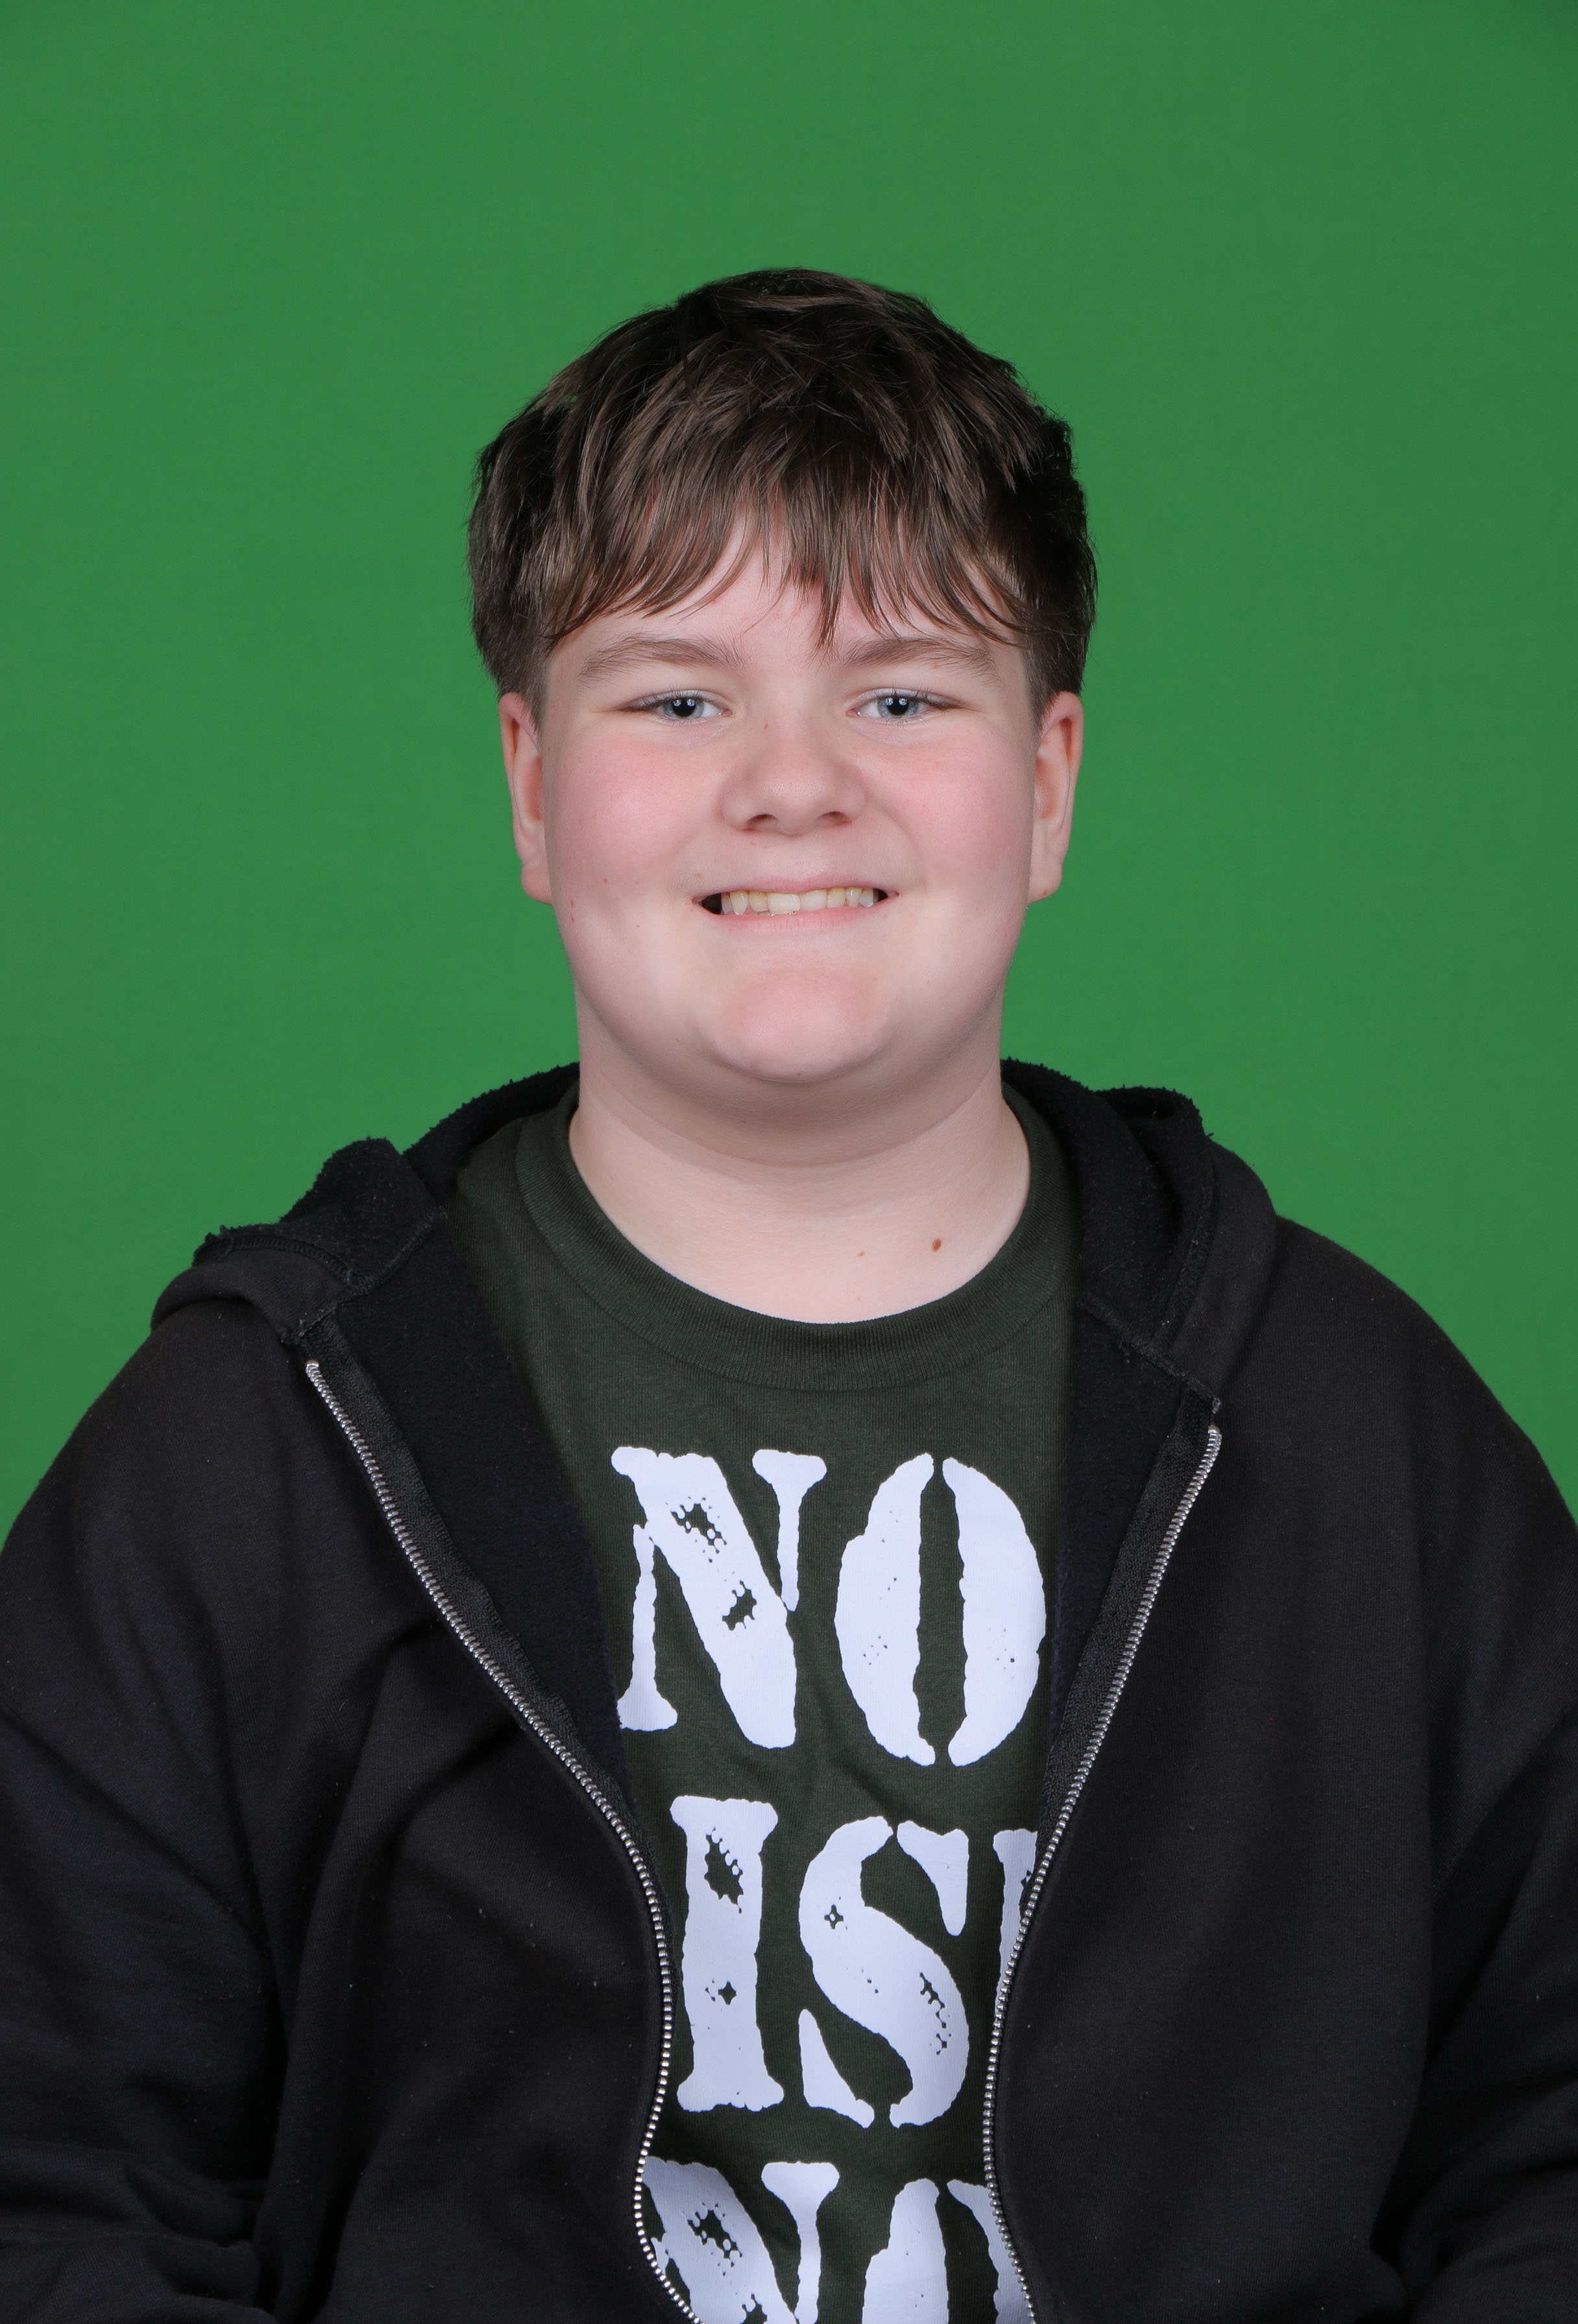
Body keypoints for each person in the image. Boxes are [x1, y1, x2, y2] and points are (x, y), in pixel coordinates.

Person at [1, 270, 1574, 2324]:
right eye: (676, 698)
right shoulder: (250, 1454)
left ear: (1051, 782)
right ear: (531, 785)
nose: (793, 781)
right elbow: (52, 2188)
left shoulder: (1362, 1441)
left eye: (903, 695)